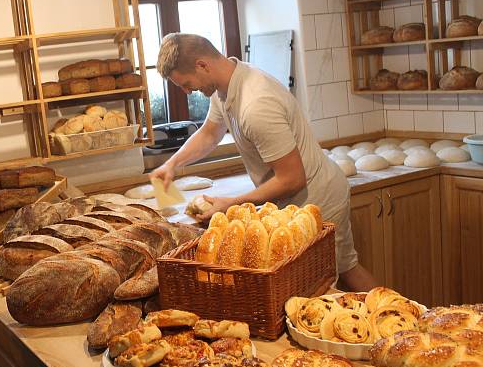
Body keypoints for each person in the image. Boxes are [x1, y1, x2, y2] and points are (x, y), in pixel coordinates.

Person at [150, 33, 376, 292]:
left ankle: (393, 320)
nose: (188, 92)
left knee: (319, 291)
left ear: (202, 65)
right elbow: (210, 133)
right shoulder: (224, 86)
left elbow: (292, 179)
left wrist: (230, 203)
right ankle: (391, 321)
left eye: (186, 84)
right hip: (299, 198)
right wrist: (172, 164)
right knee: (347, 269)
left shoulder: (256, 105)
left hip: (317, 199)